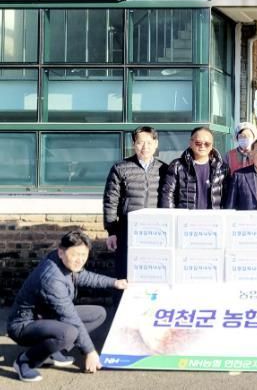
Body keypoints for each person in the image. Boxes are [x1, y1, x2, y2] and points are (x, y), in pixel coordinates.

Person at [7, 231, 128, 382]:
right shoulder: (52, 279)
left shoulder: (63, 261)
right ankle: (25, 361)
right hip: (24, 325)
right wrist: (90, 351)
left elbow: (84, 276)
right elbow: (70, 318)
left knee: (98, 314)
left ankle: (51, 351)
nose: (80, 260)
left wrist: (115, 283)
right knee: (68, 332)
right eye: (75, 254)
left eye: (84, 255)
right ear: (61, 252)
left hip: (45, 316)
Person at [103, 126, 166, 280]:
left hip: (156, 230)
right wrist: (112, 232)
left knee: (154, 269)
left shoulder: (164, 169)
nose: (145, 147)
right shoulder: (120, 168)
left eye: (149, 143)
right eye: (140, 142)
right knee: (126, 271)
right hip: (128, 228)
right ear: (133, 144)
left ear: (156, 144)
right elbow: (111, 201)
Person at [159, 127, 230, 210]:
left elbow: (228, 197)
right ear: (190, 143)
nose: (202, 146)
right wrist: (172, 215)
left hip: (213, 216)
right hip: (185, 216)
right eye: (198, 143)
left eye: (207, 144)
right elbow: (167, 194)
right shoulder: (177, 166)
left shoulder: (222, 168)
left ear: (211, 146)